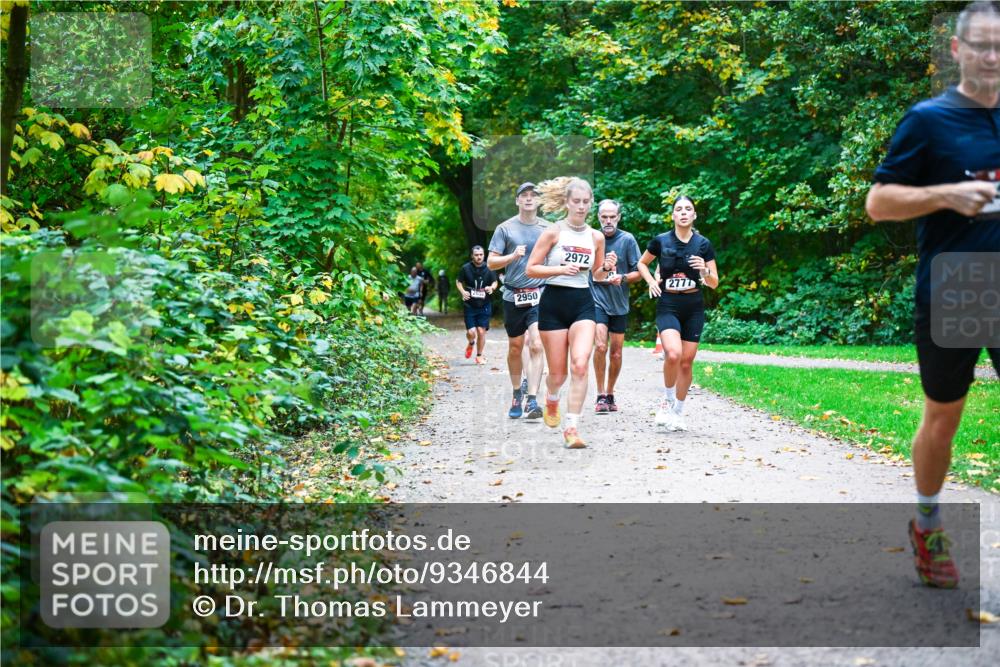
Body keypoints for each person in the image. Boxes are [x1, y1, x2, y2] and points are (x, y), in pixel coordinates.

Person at [865, 0, 1000, 589]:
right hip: (961, 284)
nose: (992, 56)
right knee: (945, 413)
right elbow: (879, 204)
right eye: (980, 45)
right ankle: (928, 522)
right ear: (957, 50)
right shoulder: (929, 120)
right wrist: (945, 194)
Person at [526, 177, 616, 448]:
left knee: (579, 363)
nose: (581, 206)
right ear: (566, 202)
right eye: (576, 201)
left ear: (591, 203)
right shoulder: (554, 232)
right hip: (553, 302)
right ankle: (551, 399)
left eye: (586, 202)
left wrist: (608, 268)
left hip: (583, 303)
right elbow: (531, 268)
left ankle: (572, 427)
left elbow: (597, 275)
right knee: (558, 374)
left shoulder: (596, 236)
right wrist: (559, 269)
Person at [637, 196, 719, 432]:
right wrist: (652, 281)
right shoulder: (661, 241)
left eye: (688, 209)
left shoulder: (703, 244)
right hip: (669, 303)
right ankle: (667, 399)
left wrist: (704, 270)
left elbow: (714, 283)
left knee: (686, 362)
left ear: (694, 215)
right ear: (673, 215)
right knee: (673, 354)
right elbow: (642, 264)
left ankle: (678, 412)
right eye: (679, 209)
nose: (683, 213)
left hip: (693, 305)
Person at [488, 183, 550, 419]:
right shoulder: (505, 229)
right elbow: (491, 263)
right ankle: (517, 393)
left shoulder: (548, 228)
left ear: (538, 201)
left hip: (540, 294)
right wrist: (512, 256)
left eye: (533, 196)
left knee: (536, 343)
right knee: (515, 348)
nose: (528, 199)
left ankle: (533, 401)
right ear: (517, 201)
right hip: (513, 294)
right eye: (523, 196)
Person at [590, 199, 642, 414]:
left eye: (612, 217)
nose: (608, 221)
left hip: (619, 302)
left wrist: (621, 278)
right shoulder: (591, 238)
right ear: (599, 218)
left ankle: (610, 393)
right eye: (604, 217)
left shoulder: (627, 240)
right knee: (601, 346)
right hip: (596, 299)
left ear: (619, 217)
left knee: (616, 353)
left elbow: (639, 272)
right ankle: (600, 394)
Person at [457, 246, 498, 365]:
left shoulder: (489, 268)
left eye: (481, 254)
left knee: (481, 331)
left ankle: (479, 356)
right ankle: (471, 343)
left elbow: (495, 281)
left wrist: (492, 288)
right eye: (476, 255)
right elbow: (458, 281)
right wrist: (463, 292)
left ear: (484, 255)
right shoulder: (465, 268)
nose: (479, 257)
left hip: (484, 304)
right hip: (470, 305)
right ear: (472, 256)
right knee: (471, 332)